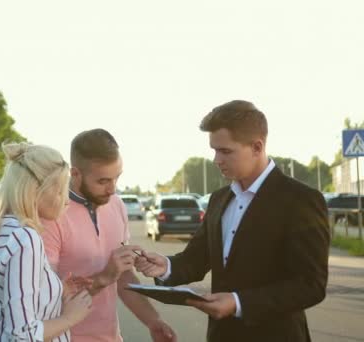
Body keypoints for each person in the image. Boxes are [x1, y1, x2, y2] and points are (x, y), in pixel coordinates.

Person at [135, 100, 330, 342]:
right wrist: (166, 266)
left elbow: (310, 285)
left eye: (225, 151)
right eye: (214, 150)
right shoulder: (218, 200)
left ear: (257, 147)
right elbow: (196, 259)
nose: (216, 159)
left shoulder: (301, 200)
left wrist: (238, 302)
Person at [41, 129, 176, 342]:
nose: (113, 189)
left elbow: (124, 277)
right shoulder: (49, 215)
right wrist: (105, 276)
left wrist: (153, 320)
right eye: (103, 181)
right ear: (75, 174)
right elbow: (45, 300)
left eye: (117, 178)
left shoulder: (117, 205)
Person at [0, 142, 93, 341]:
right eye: (60, 191)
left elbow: (0, 313)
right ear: (35, 190)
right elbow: (23, 335)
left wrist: (55, 289)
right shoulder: (25, 239)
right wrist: (70, 318)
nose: (66, 200)